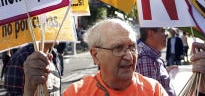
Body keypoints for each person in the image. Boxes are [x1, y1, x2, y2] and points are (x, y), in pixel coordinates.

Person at [24, 18, 168, 95]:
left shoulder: (153, 90)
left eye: (132, 47)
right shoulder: (77, 93)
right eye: (118, 48)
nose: (129, 57)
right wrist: (30, 90)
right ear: (95, 55)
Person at [138, 27, 205, 96]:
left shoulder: (151, 57)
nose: (166, 34)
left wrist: (164, 72)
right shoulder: (145, 58)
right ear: (151, 33)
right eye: (162, 31)